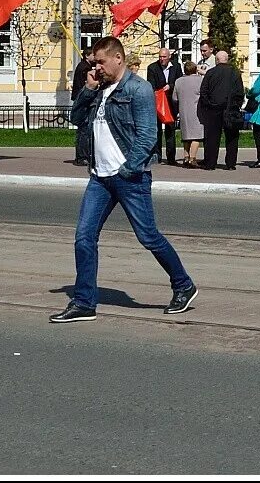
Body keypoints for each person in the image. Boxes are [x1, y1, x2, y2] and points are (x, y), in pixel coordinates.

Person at [51, 35, 197, 323]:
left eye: (101, 62)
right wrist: (88, 89)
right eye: (95, 63)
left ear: (118, 58)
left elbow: (147, 137)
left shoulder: (138, 89)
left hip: (129, 178)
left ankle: (183, 284)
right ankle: (84, 302)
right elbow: (76, 118)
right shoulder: (99, 89)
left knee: (148, 237)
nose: (97, 68)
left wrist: (128, 170)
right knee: (84, 237)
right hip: (99, 178)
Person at [196, 48, 245, 170]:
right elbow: (240, 92)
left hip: (213, 110)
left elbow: (203, 91)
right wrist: (236, 105)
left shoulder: (211, 73)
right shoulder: (235, 73)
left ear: (217, 60)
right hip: (231, 109)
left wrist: (208, 104)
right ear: (227, 60)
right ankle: (231, 164)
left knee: (212, 138)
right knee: (232, 138)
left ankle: (210, 163)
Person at [172, 59, 205, 168]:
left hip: (183, 110)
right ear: (195, 69)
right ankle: (192, 158)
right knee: (196, 136)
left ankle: (185, 157)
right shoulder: (199, 80)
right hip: (196, 110)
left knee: (186, 135)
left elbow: (174, 98)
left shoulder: (178, 81)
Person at [70, 46, 97, 167]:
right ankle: (82, 157)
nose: (95, 57)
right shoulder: (85, 68)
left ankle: (83, 156)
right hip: (83, 101)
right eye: (93, 55)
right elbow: (86, 86)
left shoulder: (83, 66)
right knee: (84, 129)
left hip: (81, 99)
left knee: (84, 129)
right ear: (87, 56)